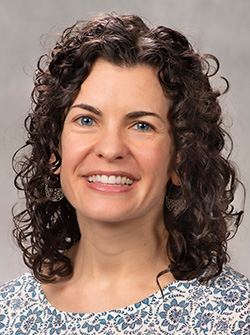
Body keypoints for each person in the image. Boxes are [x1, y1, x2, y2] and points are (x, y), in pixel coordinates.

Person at [0, 13, 249, 334]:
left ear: (181, 160)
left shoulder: (232, 316)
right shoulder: (8, 314)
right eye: (87, 120)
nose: (111, 148)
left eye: (142, 125)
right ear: (54, 151)